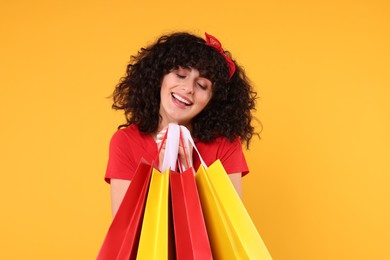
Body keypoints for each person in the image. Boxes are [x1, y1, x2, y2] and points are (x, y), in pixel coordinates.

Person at [105, 32, 258, 217]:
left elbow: (231, 227)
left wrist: (188, 174)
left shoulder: (225, 145)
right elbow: (125, 231)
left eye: (202, 85)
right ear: (160, 76)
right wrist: (162, 173)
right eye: (180, 75)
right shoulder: (125, 142)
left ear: (213, 100)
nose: (188, 89)